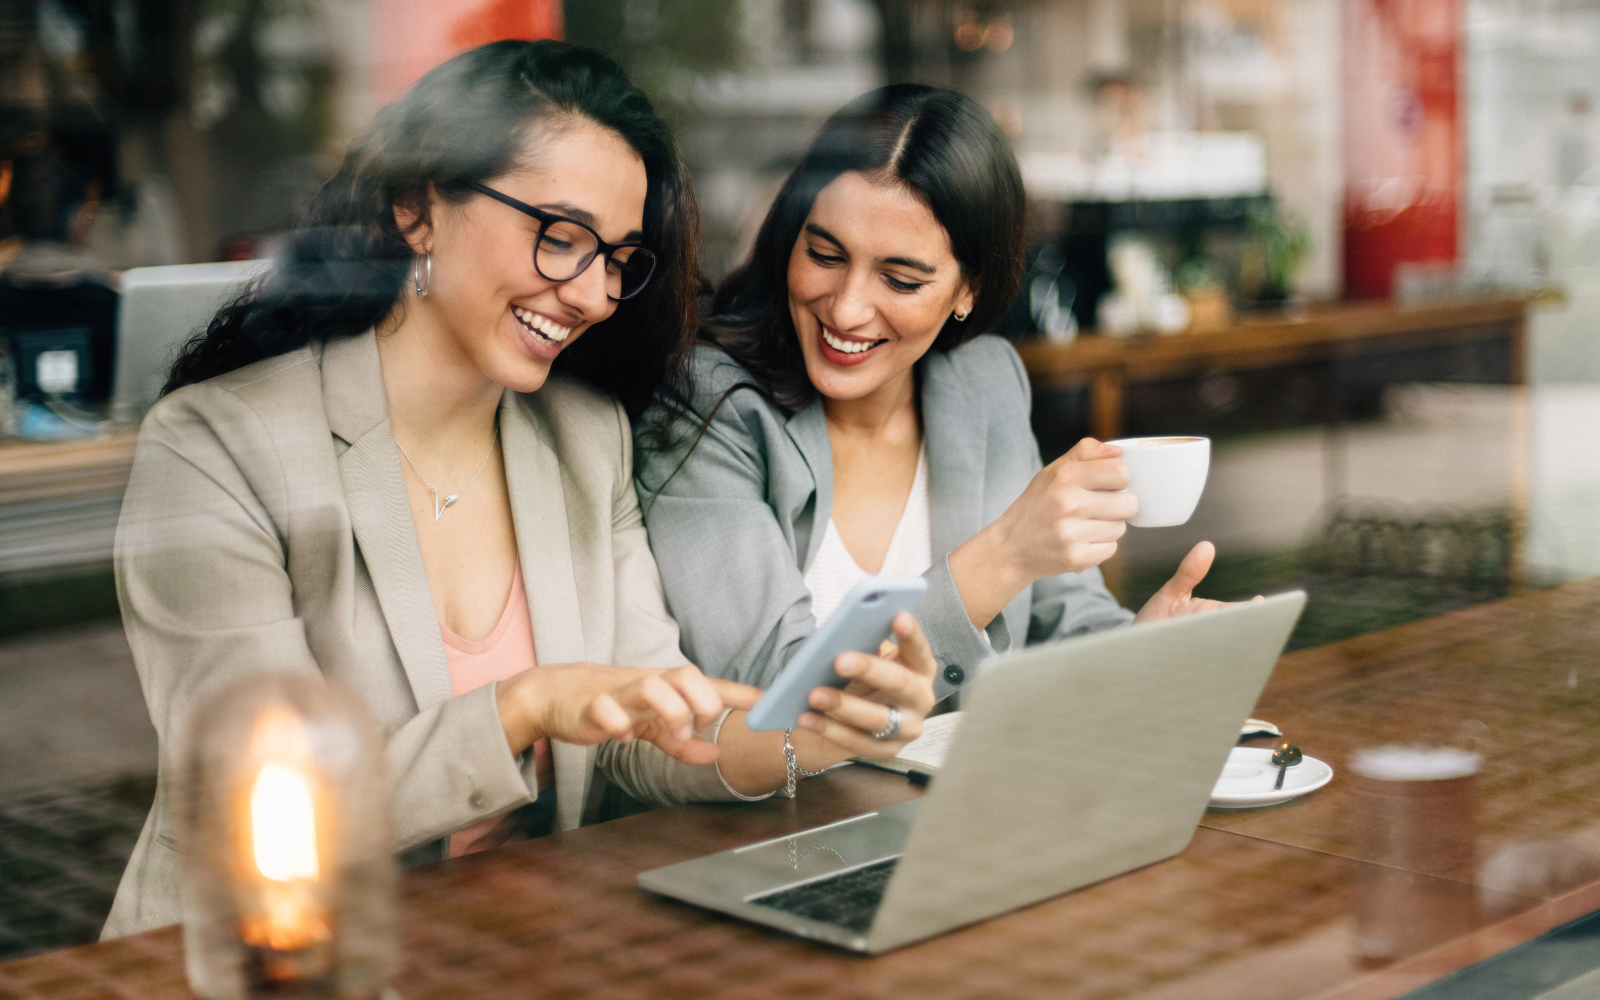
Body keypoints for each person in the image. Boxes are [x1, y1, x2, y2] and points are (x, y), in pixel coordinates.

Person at [104, 41, 938, 937]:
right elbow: (261, 802)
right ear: (419, 208)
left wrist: (806, 734)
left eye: (618, 256)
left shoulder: (580, 436)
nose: (591, 292)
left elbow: (638, 725)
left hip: (507, 949)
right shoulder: (219, 445)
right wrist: (523, 707)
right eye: (561, 236)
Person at [634, 84, 1229, 703]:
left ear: (968, 290)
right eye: (824, 254)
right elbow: (772, 690)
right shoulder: (704, 405)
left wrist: (1142, 646)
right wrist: (1003, 555)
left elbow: (1061, 621)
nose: (847, 307)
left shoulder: (982, 383)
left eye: (899, 278)